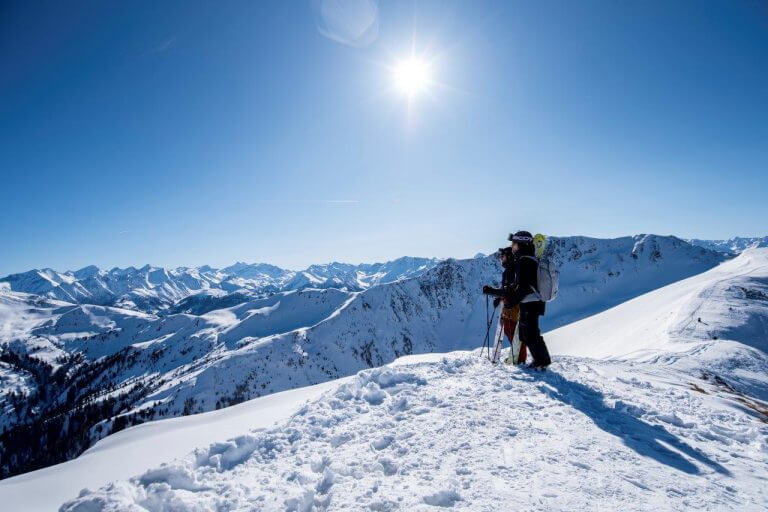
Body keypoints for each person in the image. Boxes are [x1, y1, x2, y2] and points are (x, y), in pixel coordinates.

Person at [483, 230, 552, 369]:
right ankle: (540, 360)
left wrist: (512, 301)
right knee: (526, 333)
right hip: (532, 301)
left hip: (531, 301)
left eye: (514, 242)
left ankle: (541, 361)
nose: (512, 245)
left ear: (520, 243)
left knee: (530, 333)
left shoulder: (524, 260)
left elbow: (524, 286)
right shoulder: (527, 259)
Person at [486, 247, 525, 364]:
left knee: (513, 331)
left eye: (502, 257)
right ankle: (517, 357)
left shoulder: (511, 271)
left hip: (513, 306)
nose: (501, 259)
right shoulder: (511, 270)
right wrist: (499, 297)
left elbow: (509, 291)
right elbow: (506, 290)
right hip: (511, 305)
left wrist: (492, 291)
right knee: (512, 331)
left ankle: (519, 359)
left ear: (508, 256)